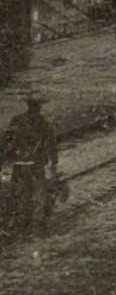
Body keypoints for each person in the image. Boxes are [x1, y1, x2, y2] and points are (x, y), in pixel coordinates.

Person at [1, 97, 58, 239]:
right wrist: (53, 164)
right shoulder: (43, 123)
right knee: (39, 196)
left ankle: (21, 228)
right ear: (38, 107)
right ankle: (37, 229)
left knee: (21, 196)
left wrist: (7, 157)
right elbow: (51, 145)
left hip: (19, 166)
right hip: (35, 166)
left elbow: (6, 143)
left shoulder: (16, 120)